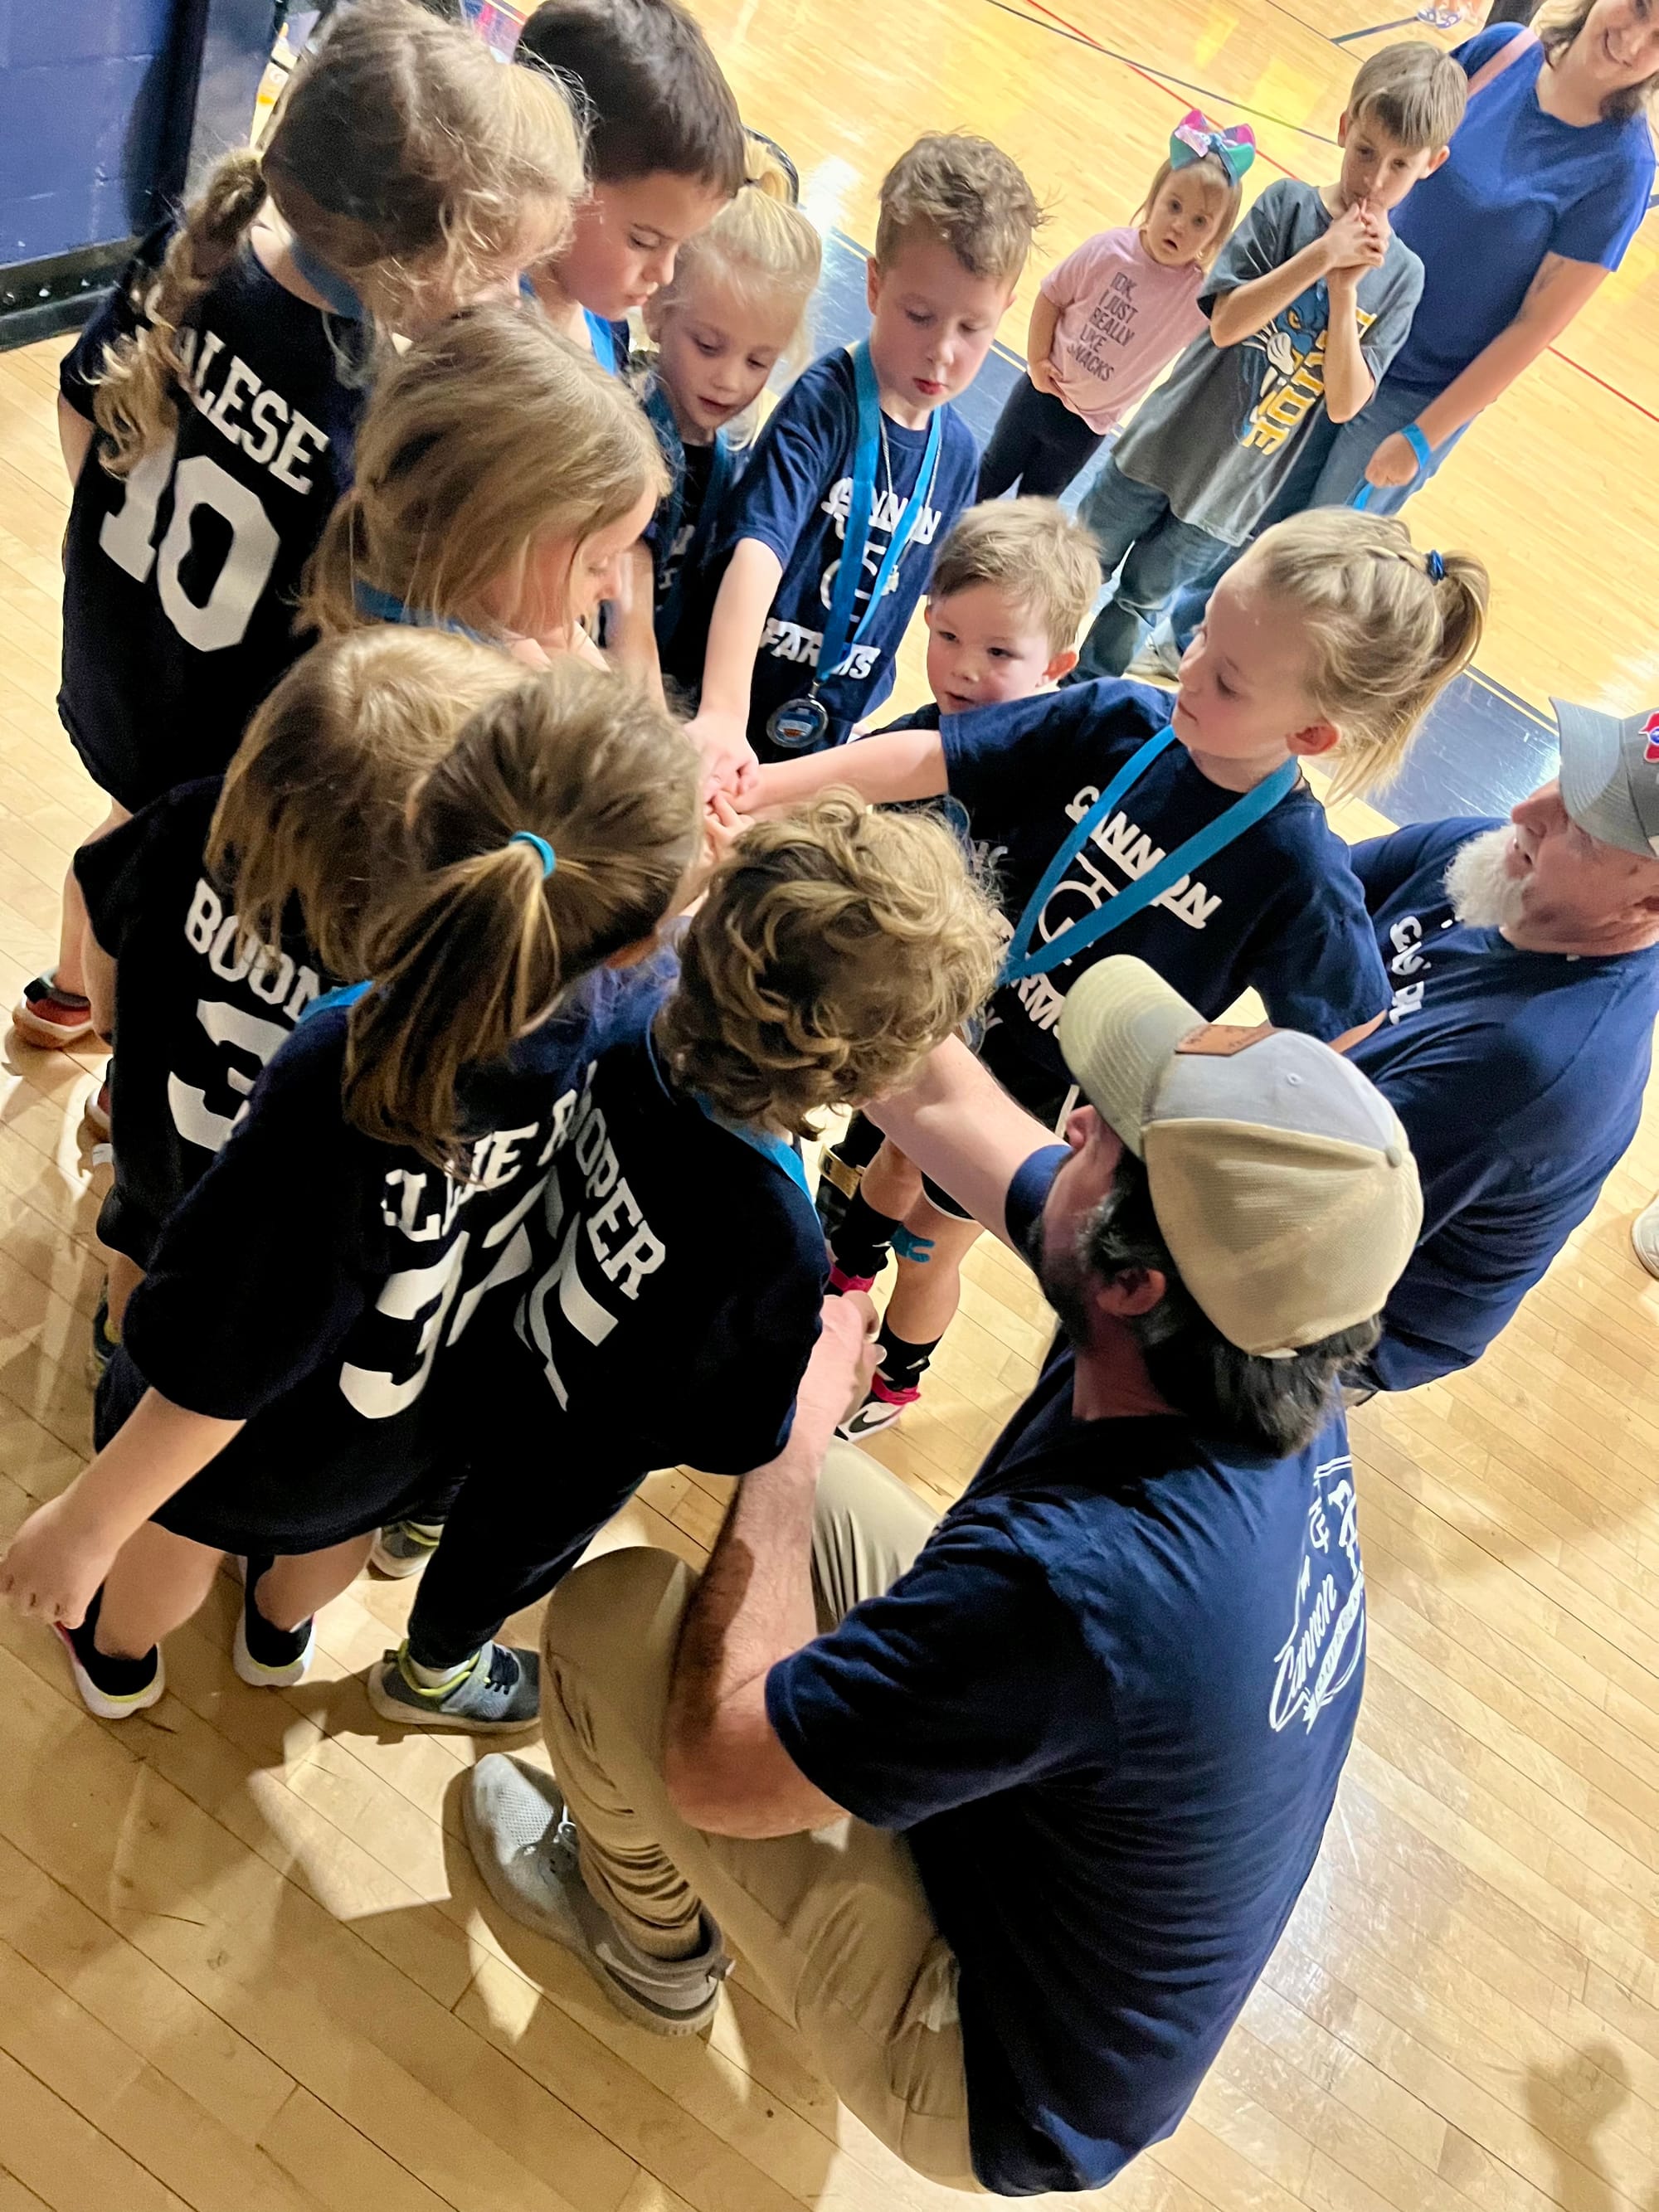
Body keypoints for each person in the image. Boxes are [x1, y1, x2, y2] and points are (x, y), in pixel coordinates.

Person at [459, 952, 1421, 2192]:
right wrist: (780, 940)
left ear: (1131, 1279)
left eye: (1106, 1135)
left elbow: (717, 1767)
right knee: (830, 1514)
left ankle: (648, 1945)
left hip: (998, 2074)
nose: (1073, 1123)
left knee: (611, 1622)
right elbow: (948, 1102)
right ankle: (825, 1859)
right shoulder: (1254, 1328)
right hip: (1057, 1843)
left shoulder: (1090, 1583)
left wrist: (797, 1428)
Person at [0, 664, 702, 1723]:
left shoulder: (350, 1059)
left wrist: (88, 1520)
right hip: (406, 1415)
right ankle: (276, 1639)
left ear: (420, 832)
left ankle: (118, 1664)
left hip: (257, 1421)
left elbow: (223, 1361)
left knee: (172, 1536)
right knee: (324, 1542)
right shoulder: (622, 1015)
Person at [750, 508, 1486, 1435]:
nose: (1190, 666)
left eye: (1226, 676)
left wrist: (1197, 1094)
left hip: (1039, 1101)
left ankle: (896, 1374)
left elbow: (1346, 1028)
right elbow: (936, 754)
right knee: (891, 1164)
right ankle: (839, 1292)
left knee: (931, 1242)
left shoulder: (1296, 867)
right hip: (956, 1013)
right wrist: (758, 790)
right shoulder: (1123, 717)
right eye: (1202, 630)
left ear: (1309, 733)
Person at [17, 0, 584, 1052]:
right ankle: (122, 1067)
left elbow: (79, 404)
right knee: (152, 887)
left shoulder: (198, 252)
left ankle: (63, 997)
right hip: (224, 732)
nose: (507, 298)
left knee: (118, 829)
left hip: (123, 652)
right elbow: (366, 636)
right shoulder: (365, 412)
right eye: (493, 273)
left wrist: (115, 564)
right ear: (415, 260)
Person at [367, 796, 1003, 1730]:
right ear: (867, 1079)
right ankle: (432, 1673)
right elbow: (734, 1434)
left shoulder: (625, 1004)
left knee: (455, 1447)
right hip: (577, 1441)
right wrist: (823, 1365)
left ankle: (413, 1521)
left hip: (487, 1319)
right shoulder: (778, 1239)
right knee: (502, 1555)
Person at [74, 628, 527, 1370]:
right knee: (247, 1325)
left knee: (139, 1243)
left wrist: (115, 1026)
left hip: (159, 1146)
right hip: (287, 1215)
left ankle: (120, 1357)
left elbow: (101, 936)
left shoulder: (192, 822)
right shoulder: (412, 956)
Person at [1070, 41, 1463, 682]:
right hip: (1162, 444)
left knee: (1140, 605)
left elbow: (1346, 403)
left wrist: (1344, 292)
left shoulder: (1402, 278)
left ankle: (1077, 709)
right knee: (1071, 569)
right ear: (1345, 126)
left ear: (1432, 164)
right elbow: (1227, 323)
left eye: (1399, 165)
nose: (1374, 179)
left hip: (1234, 494)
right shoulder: (1286, 207)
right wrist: (1322, 256)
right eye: (1366, 151)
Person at [685, 134, 1042, 786]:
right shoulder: (826, 404)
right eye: (920, 315)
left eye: (972, 328)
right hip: (720, 707)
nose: (942, 351)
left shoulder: (958, 456)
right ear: (876, 285)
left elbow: (929, 599)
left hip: (820, 733)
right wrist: (722, 714)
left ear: (1005, 313)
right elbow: (757, 553)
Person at [1344, 701, 1659, 1390]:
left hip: (1351, 1316)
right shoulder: (1501, 857)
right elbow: (1294, 897)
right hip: (1338, 1152)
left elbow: (1301, 1218)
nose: (1527, 809)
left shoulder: (1531, 1063)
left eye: (1584, 830)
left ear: (1650, 906)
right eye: (1568, 776)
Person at [810, 495, 1099, 1236]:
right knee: (871, 1142)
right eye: (946, 636)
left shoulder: (1069, 771)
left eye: (999, 654)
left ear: (1056, 667)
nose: (964, 669)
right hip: (901, 1004)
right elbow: (838, 802)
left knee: (924, 1202)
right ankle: (841, 1240)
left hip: (999, 1034)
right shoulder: (919, 734)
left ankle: (868, 1276)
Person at [1299, 2, 1658, 513]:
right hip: (1329, 329)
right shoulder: (1500, 52)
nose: (1634, 41)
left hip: (1412, 396)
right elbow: (1382, 154)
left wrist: (1423, 437)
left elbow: (1536, 325)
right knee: (1236, 518)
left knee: (1307, 553)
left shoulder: (1623, 169)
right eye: (1639, 7)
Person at [299, 304, 665, 664]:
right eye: (596, 563)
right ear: (485, 544)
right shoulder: (444, 690)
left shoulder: (456, 604)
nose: (615, 587)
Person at [627, 138, 823, 698]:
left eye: (758, 361)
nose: (730, 381)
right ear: (656, 309)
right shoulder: (629, 429)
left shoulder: (732, 447)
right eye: (709, 346)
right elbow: (627, 618)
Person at [976, 110, 1253, 503]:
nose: (1179, 226)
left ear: (1215, 237)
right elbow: (1052, 296)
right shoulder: (1109, 249)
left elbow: (1234, 321)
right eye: (1174, 206)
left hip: (1087, 428)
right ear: (1154, 200)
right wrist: (1037, 361)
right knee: (989, 475)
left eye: (1199, 222)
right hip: (1038, 394)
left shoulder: (1197, 297)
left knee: (1034, 507)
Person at [513, 0, 747, 371]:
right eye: (644, 241)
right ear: (550, 173)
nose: (665, 275)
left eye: (680, 245)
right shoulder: (494, 341)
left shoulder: (597, 311)